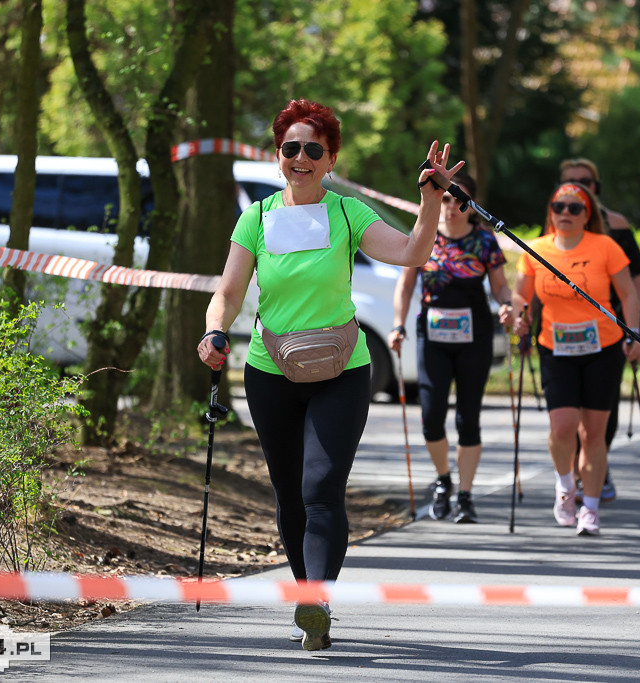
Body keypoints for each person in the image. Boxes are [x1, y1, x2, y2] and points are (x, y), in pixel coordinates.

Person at [197, 99, 463, 651]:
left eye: (313, 149)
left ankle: (316, 598)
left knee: (320, 488)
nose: (301, 157)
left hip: (343, 370)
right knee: (289, 495)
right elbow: (228, 291)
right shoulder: (256, 217)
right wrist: (214, 330)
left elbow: (412, 252)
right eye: (290, 147)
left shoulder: (346, 213)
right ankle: (308, 598)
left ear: (331, 159)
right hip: (270, 370)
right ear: (278, 155)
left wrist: (429, 202)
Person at [512, 182, 640, 536]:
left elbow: (628, 294)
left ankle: (591, 508)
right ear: (550, 213)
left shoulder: (606, 246)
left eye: (575, 208)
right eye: (559, 207)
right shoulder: (535, 249)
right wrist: (518, 316)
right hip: (555, 348)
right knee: (562, 427)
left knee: (593, 433)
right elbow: (520, 296)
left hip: (603, 348)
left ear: (588, 215)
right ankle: (565, 486)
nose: (565, 213)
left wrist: (634, 333)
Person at [387, 172, 510, 524]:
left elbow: (500, 287)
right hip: (433, 338)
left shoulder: (484, 241)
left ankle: (466, 496)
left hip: (475, 337)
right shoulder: (424, 236)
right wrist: (398, 324)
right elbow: (405, 286)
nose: (452, 207)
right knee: (431, 416)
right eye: (445, 199)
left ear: (472, 205)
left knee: (468, 418)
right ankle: (444, 481)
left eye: (460, 200)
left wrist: (507, 305)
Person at [558, 159, 640, 503]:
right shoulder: (554, 221)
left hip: (609, 328)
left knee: (602, 406)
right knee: (567, 410)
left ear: (597, 187)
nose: (579, 187)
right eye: (570, 182)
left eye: (586, 181)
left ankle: (597, 465)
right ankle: (575, 474)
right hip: (562, 327)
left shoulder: (616, 225)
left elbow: (639, 277)